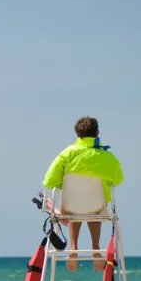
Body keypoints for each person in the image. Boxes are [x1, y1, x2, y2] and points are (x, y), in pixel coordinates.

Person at [42, 116, 124, 272]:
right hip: (97, 206)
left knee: (74, 207)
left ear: (77, 135)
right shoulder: (107, 157)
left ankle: (73, 247)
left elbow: (48, 182)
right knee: (95, 209)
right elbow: (118, 179)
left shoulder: (67, 154)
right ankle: (95, 247)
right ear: (97, 133)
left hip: (71, 207)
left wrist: (63, 183)